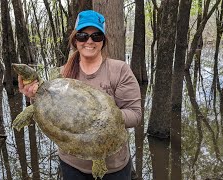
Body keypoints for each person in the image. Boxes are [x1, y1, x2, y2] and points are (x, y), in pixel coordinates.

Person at [18, 10, 141, 180]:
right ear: (75, 40)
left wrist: (105, 117)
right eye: (83, 36)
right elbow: (50, 112)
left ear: (103, 41)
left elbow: (135, 115)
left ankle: (99, 162)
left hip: (114, 167)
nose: (89, 41)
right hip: (71, 164)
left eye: (96, 36)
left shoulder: (119, 70)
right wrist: (32, 96)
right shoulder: (61, 74)